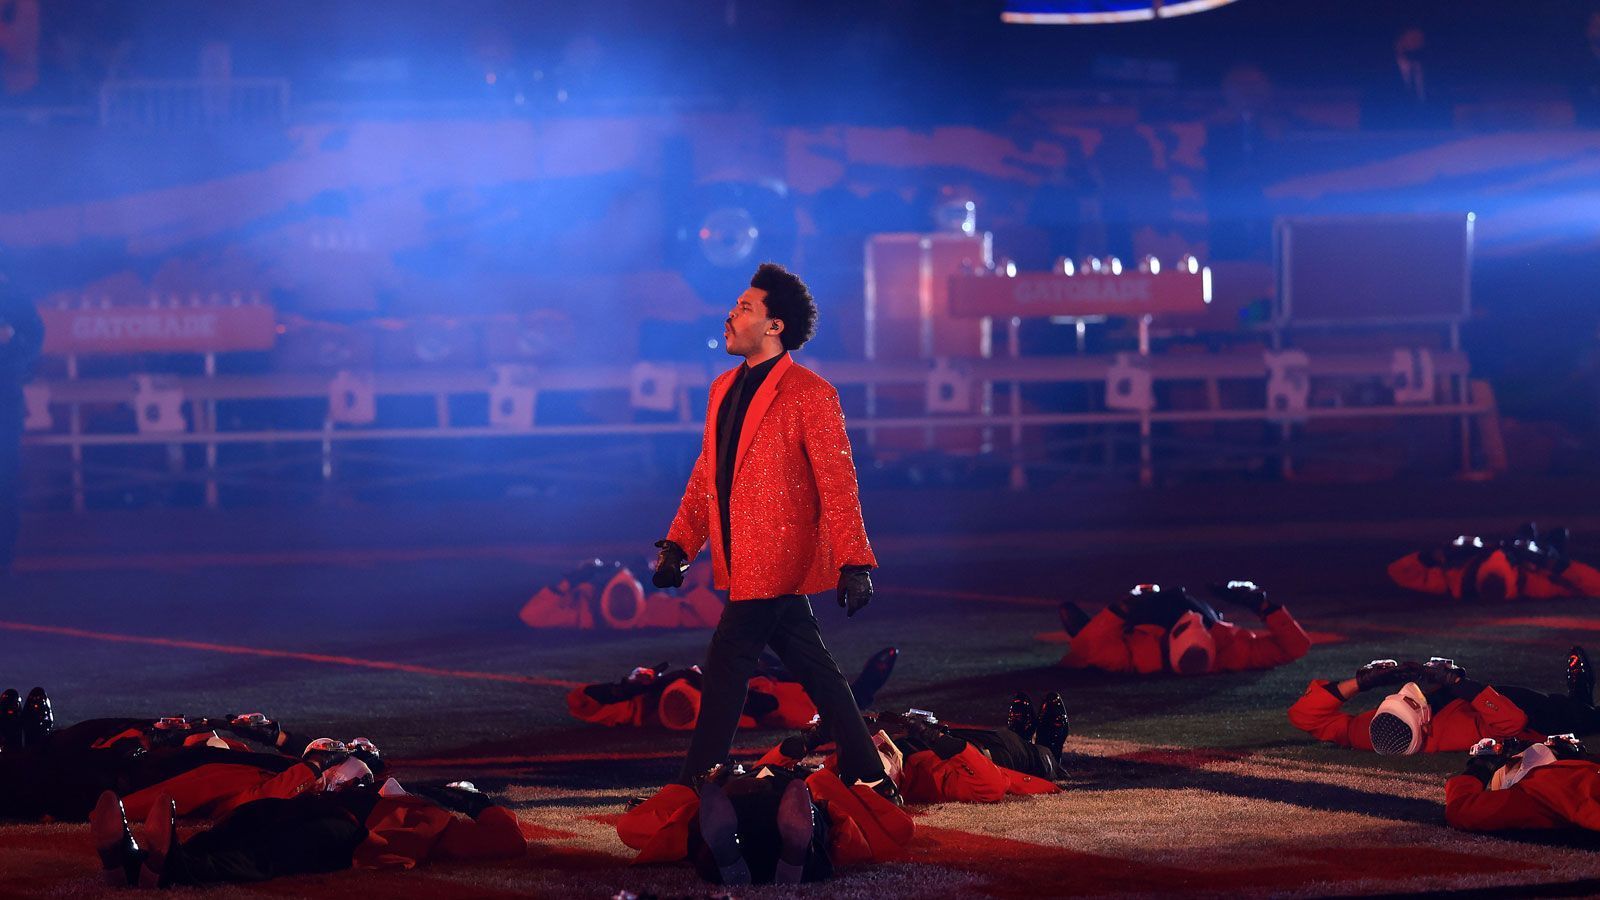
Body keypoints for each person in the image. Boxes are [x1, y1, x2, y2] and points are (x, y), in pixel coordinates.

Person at [649, 263, 892, 800]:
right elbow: (707, 471)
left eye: (744, 308)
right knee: (815, 667)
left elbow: (838, 482)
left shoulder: (811, 393)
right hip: (742, 557)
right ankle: (869, 771)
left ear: (774, 326)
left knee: (727, 662)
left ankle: (697, 782)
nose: (730, 315)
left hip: (779, 556)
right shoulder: (722, 388)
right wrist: (679, 543)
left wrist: (856, 561)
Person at [91, 776, 525, 888]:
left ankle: (177, 870)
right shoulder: (396, 792)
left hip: (346, 833)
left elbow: (509, 841)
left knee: (270, 852)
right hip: (309, 808)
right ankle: (132, 863)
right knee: (248, 820)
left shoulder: (436, 819)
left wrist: (479, 803)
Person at [1288, 648, 1600, 755]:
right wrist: (1458, 683)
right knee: (1549, 712)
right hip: (1522, 721)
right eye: (1407, 702)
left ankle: (1580, 701)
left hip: (1461, 705)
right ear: (1423, 723)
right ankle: (1581, 702)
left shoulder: (1368, 733)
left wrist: (1360, 682)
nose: (1404, 692)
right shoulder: (1458, 731)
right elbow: (1512, 721)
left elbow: (1305, 717)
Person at [567, 647, 897, 732]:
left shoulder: (641, 697)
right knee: (786, 703)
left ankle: (854, 694)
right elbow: (755, 706)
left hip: (727, 689)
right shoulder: (651, 707)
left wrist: (632, 682)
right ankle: (858, 693)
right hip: (729, 701)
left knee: (763, 664)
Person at [1057, 581, 1310, 675]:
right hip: (1211, 619)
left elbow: (1088, 649)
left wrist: (1124, 606)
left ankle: (1088, 625)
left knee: (1088, 640)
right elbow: (1296, 647)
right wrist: (1261, 605)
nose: (1192, 619)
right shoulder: (1232, 651)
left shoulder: (1136, 656)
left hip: (1149, 620)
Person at [1387, 523, 1600, 600]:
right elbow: (1594, 586)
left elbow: (1398, 572)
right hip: (1534, 563)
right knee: (1554, 540)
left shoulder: (1454, 577)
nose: (1498, 553)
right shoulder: (1533, 582)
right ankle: (1546, 544)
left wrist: (1434, 554)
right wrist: (1554, 563)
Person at [1443, 733, 1600, 832]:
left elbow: (1460, 809)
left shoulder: (1545, 786)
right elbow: (1462, 810)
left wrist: (1480, 768)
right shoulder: (1538, 790)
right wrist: (1481, 768)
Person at [0, 276, 43, 577]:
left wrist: (10, 343)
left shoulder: (11, 294)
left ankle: (2, 556)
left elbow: (32, 340)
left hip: (3, 397)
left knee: (4, 479)